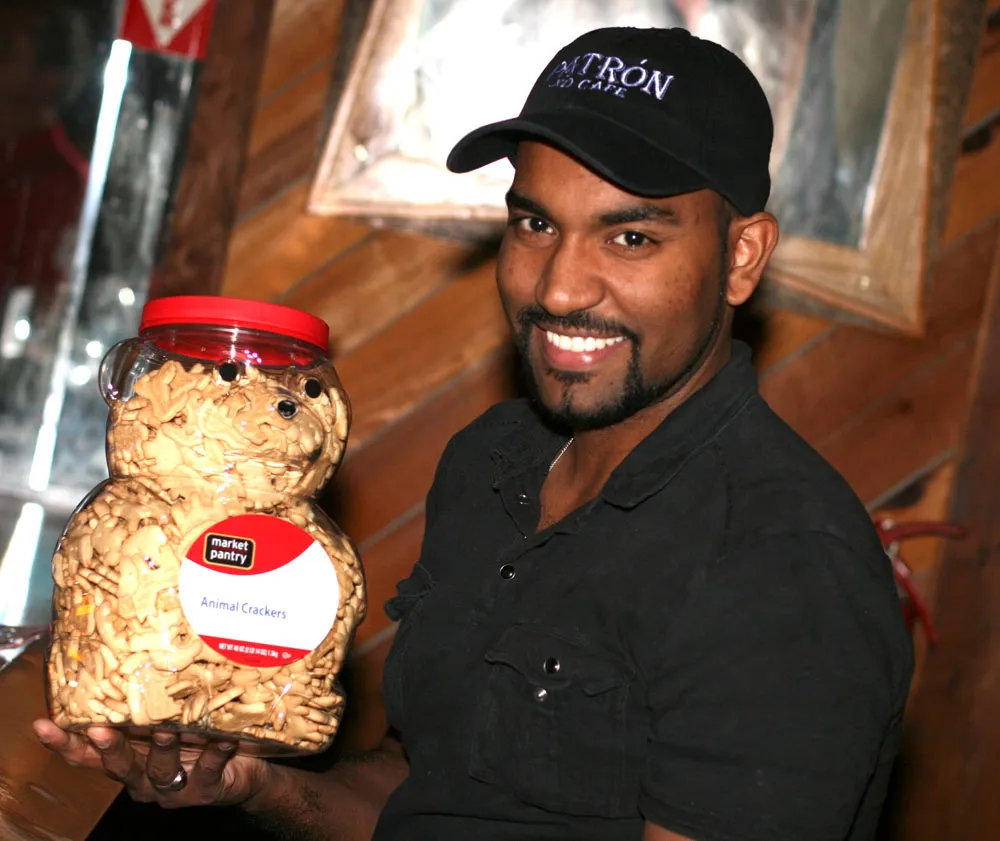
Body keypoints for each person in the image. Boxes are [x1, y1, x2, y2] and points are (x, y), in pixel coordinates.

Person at [34, 26, 913, 841]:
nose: (560, 287)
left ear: (742, 257)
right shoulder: (495, 461)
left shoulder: (785, 567)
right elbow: (423, 787)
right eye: (536, 223)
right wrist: (252, 784)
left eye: (631, 238)